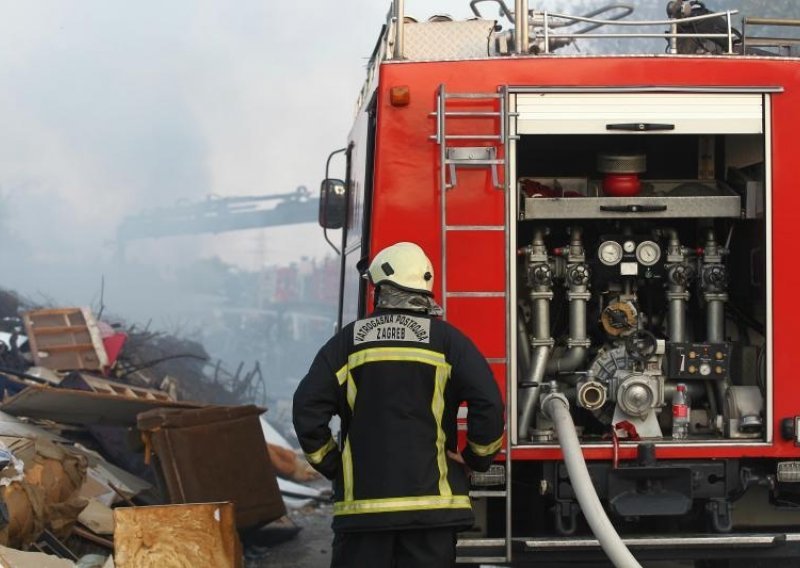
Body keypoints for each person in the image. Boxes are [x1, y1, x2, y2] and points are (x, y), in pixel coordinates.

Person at [293, 241, 504, 568]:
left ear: (380, 289)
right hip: (432, 513)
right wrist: (477, 458)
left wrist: (336, 466)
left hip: (362, 514)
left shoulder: (347, 343)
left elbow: (307, 408)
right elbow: (488, 402)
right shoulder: (449, 342)